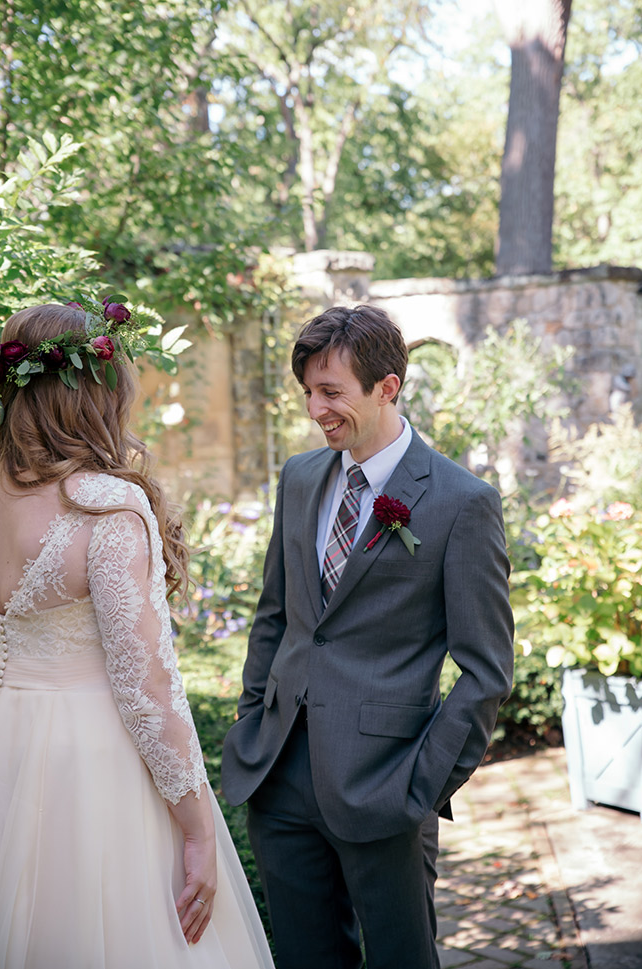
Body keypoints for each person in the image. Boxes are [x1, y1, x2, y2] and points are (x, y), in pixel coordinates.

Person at [0, 298, 274, 969]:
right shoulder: (107, 508)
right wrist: (197, 828)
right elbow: (147, 683)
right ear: (94, 393)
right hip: (93, 765)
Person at [221, 304, 514, 969]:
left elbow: (487, 668)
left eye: (331, 392)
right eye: (307, 393)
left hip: (387, 786)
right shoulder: (299, 477)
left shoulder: (460, 501)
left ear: (388, 386)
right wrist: (252, 720)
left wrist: (424, 783)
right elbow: (277, 615)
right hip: (280, 778)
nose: (315, 408)